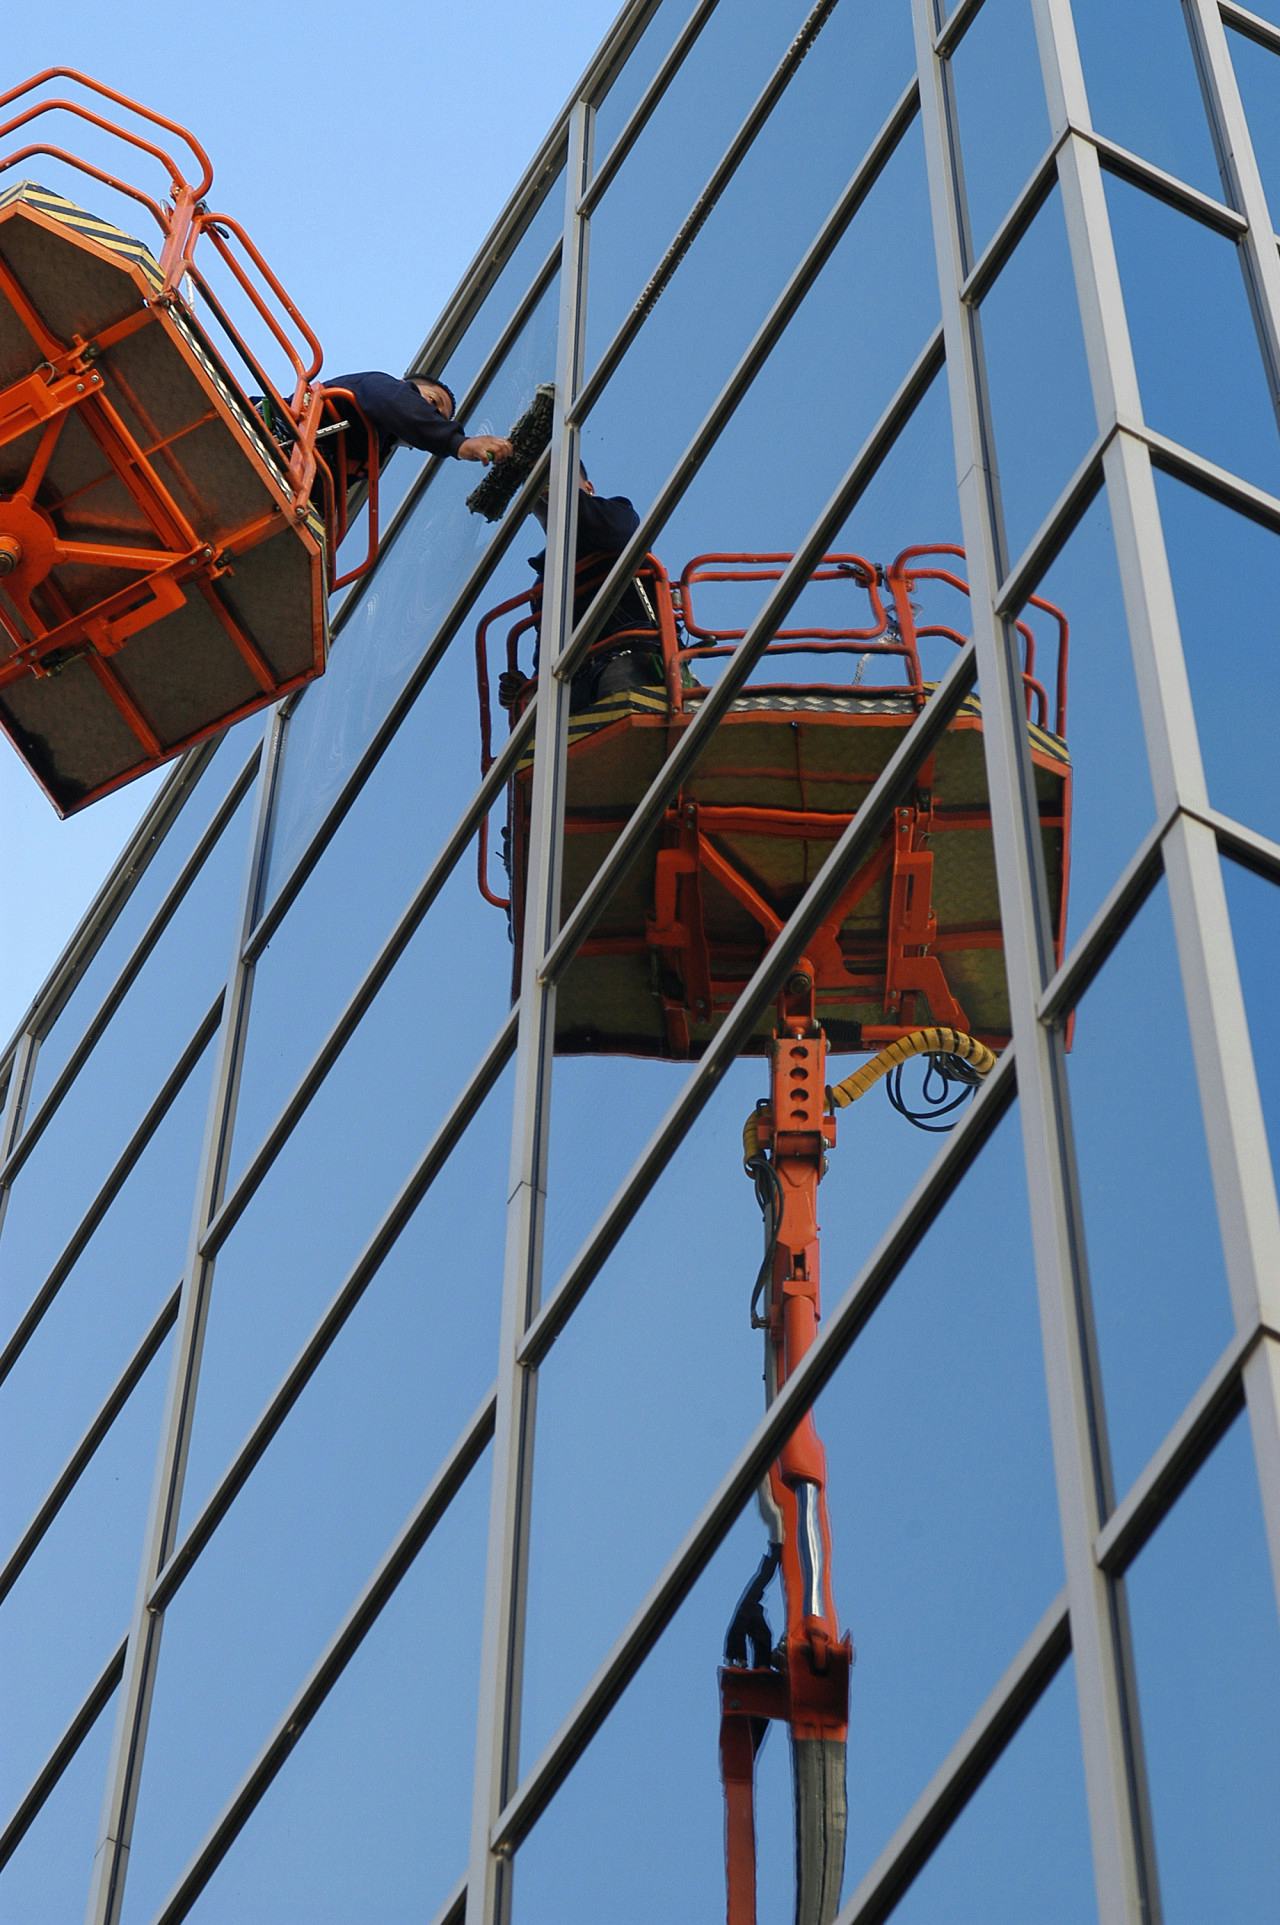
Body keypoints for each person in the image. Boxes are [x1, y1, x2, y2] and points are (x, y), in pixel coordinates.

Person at [500, 468, 664, 712]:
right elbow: (550, 656)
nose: (546, 484)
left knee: (618, 693)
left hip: (630, 658)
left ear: (588, 488)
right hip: (577, 681)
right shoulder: (545, 582)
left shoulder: (617, 514)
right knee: (540, 723)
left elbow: (616, 531)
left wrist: (556, 491)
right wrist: (529, 688)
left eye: (558, 474)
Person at [317, 371, 512, 481]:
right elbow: (394, 402)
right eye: (433, 401)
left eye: (437, 417)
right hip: (289, 438)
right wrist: (458, 443)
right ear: (404, 385)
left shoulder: (374, 452)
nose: (429, 412)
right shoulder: (379, 385)